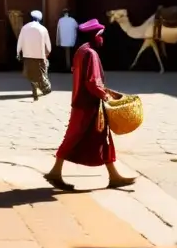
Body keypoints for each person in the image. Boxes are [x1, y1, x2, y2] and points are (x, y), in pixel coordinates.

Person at [45, 18, 135, 191]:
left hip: (82, 102)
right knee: (74, 137)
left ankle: (114, 176)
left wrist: (107, 91)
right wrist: (105, 97)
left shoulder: (81, 51)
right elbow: (92, 83)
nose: (102, 39)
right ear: (95, 35)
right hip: (88, 105)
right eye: (100, 35)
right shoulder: (91, 54)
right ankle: (55, 172)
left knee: (101, 138)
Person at [16, 9, 52, 100]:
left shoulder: (24, 27)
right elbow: (48, 45)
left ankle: (34, 90)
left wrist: (18, 52)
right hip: (40, 56)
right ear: (40, 19)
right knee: (41, 74)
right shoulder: (43, 29)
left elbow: (20, 41)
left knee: (31, 74)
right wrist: (48, 53)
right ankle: (43, 89)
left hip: (27, 55)